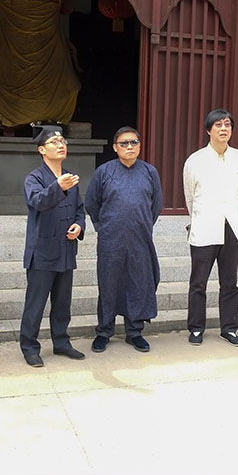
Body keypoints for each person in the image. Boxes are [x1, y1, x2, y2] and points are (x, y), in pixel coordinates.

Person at [85, 127, 163, 353]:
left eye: (133, 142)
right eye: (124, 143)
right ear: (115, 147)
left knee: (138, 283)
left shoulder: (149, 172)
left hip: (140, 238)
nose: (129, 147)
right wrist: (103, 227)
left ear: (140, 145)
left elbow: (156, 205)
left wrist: (142, 224)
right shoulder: (104, 172)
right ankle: (104, 331)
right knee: (109, 284)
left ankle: (134, 332)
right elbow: (92, 203)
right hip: (111, 239)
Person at [183, 108, 238, 347]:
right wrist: (199, 218)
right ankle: (196, 328)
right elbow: (190, 197)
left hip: (231, 225)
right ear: (208, 130)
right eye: (218, 125)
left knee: (230, 282)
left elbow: (236, 188)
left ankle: (229, 328)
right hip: (204, 226)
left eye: (227, 125)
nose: (224, 129)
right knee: (198, 282)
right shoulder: (195, 160)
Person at [19, 125, 86, 367]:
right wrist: (59, 187)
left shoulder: (70, 177)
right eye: (54, 142)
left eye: (63, 141)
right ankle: (29, 347)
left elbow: (80, 210)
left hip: (65, 249)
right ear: (41, 150)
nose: (61, 145)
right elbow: (37, 201)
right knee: (35, 303)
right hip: (42, 251)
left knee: (62, 303)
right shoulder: (34, 178)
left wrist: (79, 225)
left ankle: (61, 342)